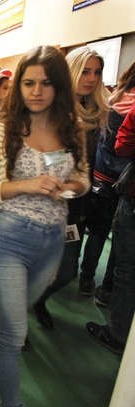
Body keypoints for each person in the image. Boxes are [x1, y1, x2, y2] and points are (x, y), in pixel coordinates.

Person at [0, 45, 89, 407]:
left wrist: (69, 188)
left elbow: (83, 179)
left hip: (52, 240)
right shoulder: (3, 131)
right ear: (18, 85)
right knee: (16, 331)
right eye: (29, 82)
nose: (36, 91)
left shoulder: (72, 129)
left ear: (59, 88)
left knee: (13, 311)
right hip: (9, 240)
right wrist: (25, 185)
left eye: (46, 83)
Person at [33, 46, 110, 328]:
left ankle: (37, 300)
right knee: (32, 267)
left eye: (97, 72)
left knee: (66, 271)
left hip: (76, 205)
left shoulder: (97, 113)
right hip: (45, 202)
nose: (91, 78)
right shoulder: (53, 111)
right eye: (86, 70)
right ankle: (11, 321)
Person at [86, 102, 135, 355]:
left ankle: (117, 332)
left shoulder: (116, 106)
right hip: (111, 186)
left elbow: (122, 145)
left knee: (125, 267)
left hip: (113, 186)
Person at [92, 61, 135, 307]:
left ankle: (90, 280)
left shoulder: (112, 101)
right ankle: (104, 287)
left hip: (102, 175)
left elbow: (114, 143)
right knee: (116, 240)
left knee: (100, 229)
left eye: (96, 72)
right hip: (123, 181)